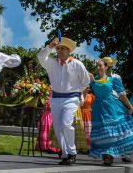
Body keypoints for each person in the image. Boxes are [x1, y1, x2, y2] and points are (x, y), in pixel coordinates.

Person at [38, 37, 90, 165]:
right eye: (58, 48)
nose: (59, 50)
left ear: (69, 51)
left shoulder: (77, 64)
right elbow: (40, 57)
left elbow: (85, 82)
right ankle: (65, 153)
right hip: (55, 98)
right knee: (58, 127)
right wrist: (49, 46)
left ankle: (72, 152)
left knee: (66, 124)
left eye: (63, 48)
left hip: (71, 98)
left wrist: (80, 96)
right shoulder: (51, 63)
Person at [89, 59, 133, 166]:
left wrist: (130, 106)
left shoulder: (112, 79)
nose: (98, 67)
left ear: (106, 67)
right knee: (103, 131)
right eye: (97, 66)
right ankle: (106, 156)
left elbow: (121, 94)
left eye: (100, 66)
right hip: (98, 108)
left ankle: (110, 155)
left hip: (111, 106)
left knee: (111, 132)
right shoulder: (93, 79)